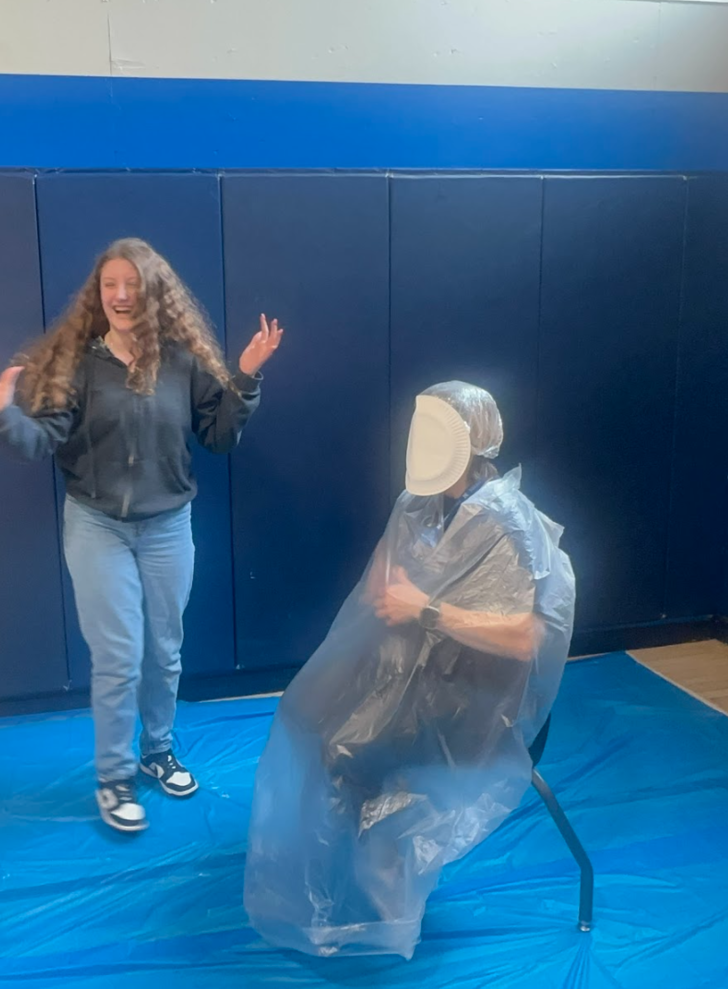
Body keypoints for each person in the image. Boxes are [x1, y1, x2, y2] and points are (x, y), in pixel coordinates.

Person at [0, 237, 283, 833]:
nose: (120, 295)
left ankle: (157, 752)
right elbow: (35, 442)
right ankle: (115, 777)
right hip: (98, 525)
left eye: (132, 285)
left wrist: (245, 378)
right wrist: (0, 414)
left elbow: (220, 437)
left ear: (154, 294)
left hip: (169, 525)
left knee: (164, 651)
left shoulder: (182, 360)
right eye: (109, 285)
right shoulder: (78, 364)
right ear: (99, 294)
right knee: (119, 656)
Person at [244, 381, 575, 959]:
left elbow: (527, 638)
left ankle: (377, 900)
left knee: (345, 753)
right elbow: (381, 591)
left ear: (470, 442)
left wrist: (424, 608)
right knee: (306, 720)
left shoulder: (505, 522)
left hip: (478, 705)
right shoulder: (417, 505)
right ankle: (342, 886)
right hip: (419, 680)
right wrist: (398, 599)